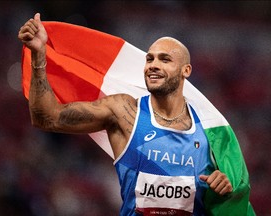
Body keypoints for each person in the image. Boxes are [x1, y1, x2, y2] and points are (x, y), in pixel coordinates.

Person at [18, 13, 253, 215]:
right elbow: (46, 117)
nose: (153, 64)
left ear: (186, 70)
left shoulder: (209, 130)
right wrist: (39, 56)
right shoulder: (123, 112)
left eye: (165, 59)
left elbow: (228, 192)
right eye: (149, 58)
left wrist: (224, 187)